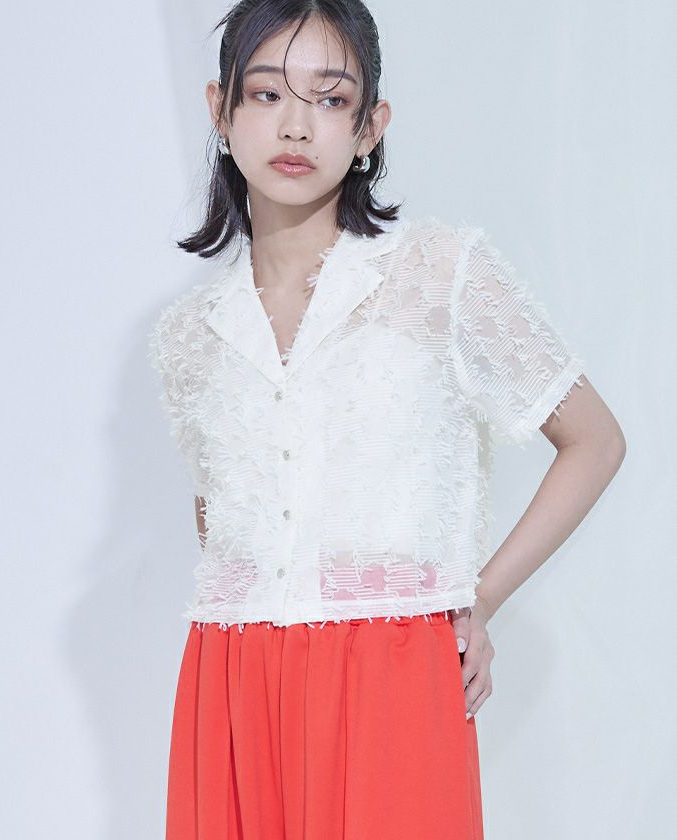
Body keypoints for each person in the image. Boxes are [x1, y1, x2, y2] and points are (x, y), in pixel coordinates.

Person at [147, 2, 626, 838]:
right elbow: (220, 509)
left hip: (392, 672)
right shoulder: (191, 334)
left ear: (371, 126)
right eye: (267, 94)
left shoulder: (439, 273)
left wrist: (478, 599)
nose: (296, 126)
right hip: (232, 678)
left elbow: (594, 441)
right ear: (220, 109)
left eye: (331, 99)